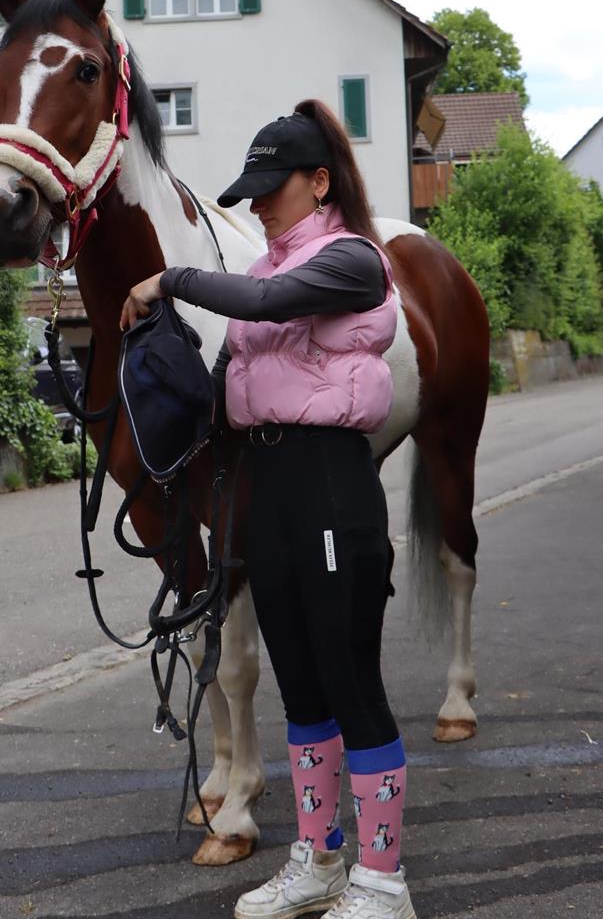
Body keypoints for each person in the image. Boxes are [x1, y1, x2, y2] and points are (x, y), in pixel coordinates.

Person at [120, 101, 416, 919]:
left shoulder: (352, 260)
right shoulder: (260, 276)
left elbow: (267, 304)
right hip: (272, 492)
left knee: (351, 684)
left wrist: (169, 278)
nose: (255, 205)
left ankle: (383, 882)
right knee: (302, 693)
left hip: (331, 489)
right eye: (247, 193)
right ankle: (319, 864)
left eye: (270, 188)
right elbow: (230, 386)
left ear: (319, 182)